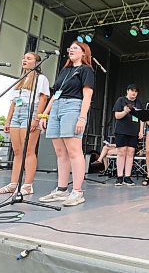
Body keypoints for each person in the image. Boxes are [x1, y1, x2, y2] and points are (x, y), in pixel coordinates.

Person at [38, 41, 94, 207]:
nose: (71, 50)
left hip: (72, 106)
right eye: (70, 48)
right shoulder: (65, 70)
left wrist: (82, 117)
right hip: (56, 107)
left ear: (84, 53)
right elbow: (55, 94)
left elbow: (87, 96)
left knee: (74, 150)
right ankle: (62, 190)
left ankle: (77, 192)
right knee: (60, 151)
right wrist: (44, 114)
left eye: (75, 48)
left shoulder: (86, 70)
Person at [0, 52, 50, 195]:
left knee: (29, 151)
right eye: (24, 58)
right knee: (17, 152)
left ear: (36, 63)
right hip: (17, 114)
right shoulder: (20, 79)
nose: (24, 60)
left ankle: (27, 185)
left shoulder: (41, 78)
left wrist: (36, 118)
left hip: (31, 112)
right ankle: (13, 184)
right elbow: (13, 102)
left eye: (29, 58)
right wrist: (8, 120)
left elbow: (43, 99)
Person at [112, 84, 144, 186]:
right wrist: (125, 111)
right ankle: (119, 176)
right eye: (132, 90)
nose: (133, 93)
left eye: (135, 91)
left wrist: (141, 130)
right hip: (122, 130)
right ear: (127, 91)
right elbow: (117, 116)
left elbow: (142, 118)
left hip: (134, 131)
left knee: (131, 152)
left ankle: (128, 177)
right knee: (121, 152)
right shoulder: (121, 100)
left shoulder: (138, 103)